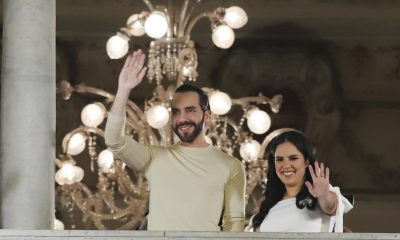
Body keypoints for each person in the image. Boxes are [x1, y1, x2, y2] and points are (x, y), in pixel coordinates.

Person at [104, 49, 246, 231]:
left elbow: (234, 224)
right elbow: (114, 140)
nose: (182, 118)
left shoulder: (231, 166)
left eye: (190, 110)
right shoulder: (154, 158)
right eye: (176, 112)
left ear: (207, 116)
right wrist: (124, 89)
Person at [249, 128, 353, 232]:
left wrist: (323, 195)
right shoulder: (269, 205)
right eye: (279, 159)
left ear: (307, 162)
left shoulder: (321, 195)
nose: (285, 165)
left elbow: (330, 206)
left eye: (293, 158)